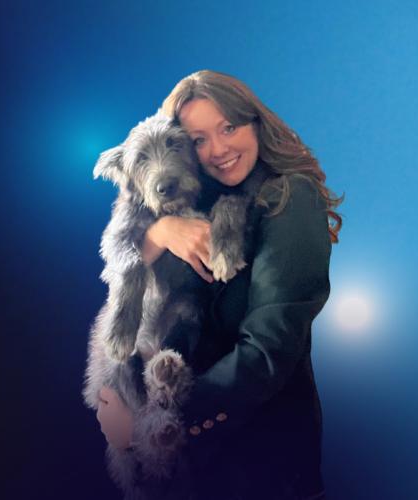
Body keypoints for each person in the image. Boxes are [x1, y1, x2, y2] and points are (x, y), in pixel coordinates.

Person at [95, 70, 343, 500]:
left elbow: (267, 353)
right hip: (198, 468)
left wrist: (146, 427)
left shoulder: (290, 198)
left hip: (262, 466)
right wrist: (159, 233)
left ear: (256, 123)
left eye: (229, 127)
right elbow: (127, 266)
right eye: (198, 139)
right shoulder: (196, 198)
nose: (218, 149)